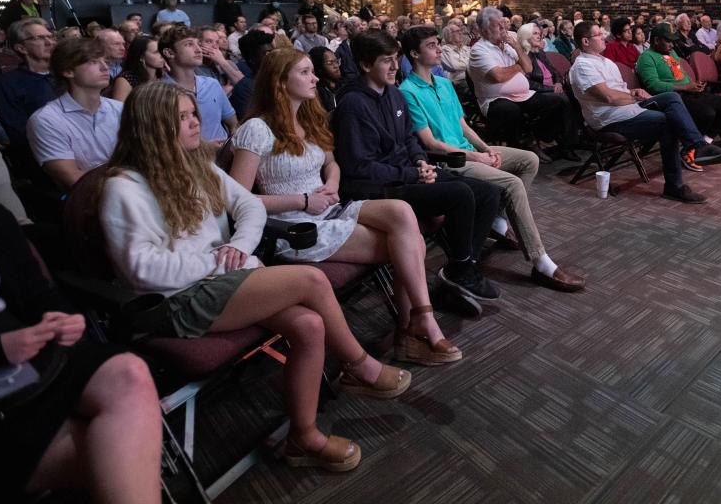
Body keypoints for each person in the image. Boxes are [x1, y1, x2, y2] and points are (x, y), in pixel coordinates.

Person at [100, 82, 410, 473]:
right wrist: (219, 260)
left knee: (310, 325)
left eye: (193, 113)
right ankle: (357, 365)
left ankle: (304, 437)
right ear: (152, 127)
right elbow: (141, 269)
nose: (196, 122)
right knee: (310, 281)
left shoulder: (196, 164)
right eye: (182, 117)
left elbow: (248, 207)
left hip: (220, 279)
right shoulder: (122, 187)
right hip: (172, 300)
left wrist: (240, 249)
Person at [229, 47, 461, 365]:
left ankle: (420, 320)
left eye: (313, 71)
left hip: (327, 207)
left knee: (402, 211)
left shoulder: (308, 119)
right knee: (413, 243)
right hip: (293, 227)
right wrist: (304, 200)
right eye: (305, 72)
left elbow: (332, 164)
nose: (315, 78)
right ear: (280, 82)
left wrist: (333, 183)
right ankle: (414, 328)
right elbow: (238, 199)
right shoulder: (256, 129)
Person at [0, 203, 162, 503]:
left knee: (130, 374)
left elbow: (39, 294)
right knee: (123, 449)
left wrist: (64, 318)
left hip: (31, 355)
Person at [399, 26, 585, 292]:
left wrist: (487, 149)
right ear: (415, 54)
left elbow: (463, 126)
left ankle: (497, 221)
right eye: (431, 45)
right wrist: (476, 156)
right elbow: (430, 143)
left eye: (438, 43)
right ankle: (540, 261)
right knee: (511, 184)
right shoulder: (408, 91)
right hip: (449, 160)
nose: (439, 48)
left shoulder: (443, 83)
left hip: (468, 150)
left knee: (529, 160)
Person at [333, 30, 501, 303]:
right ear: (366, 65)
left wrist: (420, 161)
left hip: (408, 174)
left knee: (488, 193)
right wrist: (413, 172)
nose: (395, 66)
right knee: (460, 194)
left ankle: (462, 266)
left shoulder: (393, 95)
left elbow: (410, 139)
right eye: (386, 60)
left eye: (395, 59)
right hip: (377, 188)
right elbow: (359, 167)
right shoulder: (353, 105)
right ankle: (461, 268)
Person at [569, 22, 721, 203]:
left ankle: (698, 147)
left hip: (627, 109)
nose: (604, 36)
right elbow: (609, 98)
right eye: (598, 35)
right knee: (668, 122)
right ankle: (675, 185)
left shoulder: (606, 62)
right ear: (586, 41)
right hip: (609, 118)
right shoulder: (583, 66)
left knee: (671, 97)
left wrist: (632, 92)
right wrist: (635, 98)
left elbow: (619, 92)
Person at [469, 7, 574, 158]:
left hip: (524, 95)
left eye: (503, 24)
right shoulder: (479, 50)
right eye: (497, 25)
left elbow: (529, 67)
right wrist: (519, 67)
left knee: (560, 101)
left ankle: (551, 139)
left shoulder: (507, 45)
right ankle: (523, 148)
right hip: (495, 100)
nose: (503, 28)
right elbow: (498, 76)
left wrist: (516, 46)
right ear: (485, 29)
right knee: (510, 110)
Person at [27, 38, 122, 191]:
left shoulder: (120, 109)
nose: (105, 68)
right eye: (93, 62)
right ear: (68, 71)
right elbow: (72, 179)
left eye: (105, 61)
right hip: (88, 202)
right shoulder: (46, 119)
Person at [635, 25, 721, 142]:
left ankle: (705, 141)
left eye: (673, 42)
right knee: (707, 113)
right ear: (656, 40)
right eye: (668, 41)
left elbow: (682, 75)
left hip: (690, 93)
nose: (672, 45)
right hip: (674, 98)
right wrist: (685, 87)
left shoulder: (671, 53)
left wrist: (694, 85)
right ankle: (693, 147)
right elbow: (654, 86)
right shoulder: (646, 58)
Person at [159, 25, 237, 144]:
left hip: (223, 155)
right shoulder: (159, 93)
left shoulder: (212, 84)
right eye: (189, 44)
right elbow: (162, 141)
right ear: (169, 52)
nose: (198, 49)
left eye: (198, 44)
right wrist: (206, 148)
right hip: (187, 159)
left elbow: (233, 124)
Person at [0, 19, 57, 154]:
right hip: (44, 154)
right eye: (39, 38)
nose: (49, 42)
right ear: (21, 48)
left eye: (50, 36)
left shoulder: (68, 73)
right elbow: (19, 133)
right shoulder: (7, 84)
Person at [230, 30, 274, 119]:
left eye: (273, 52)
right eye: (267, 53)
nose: (273, 57)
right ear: (252, 59)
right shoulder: (245, 88)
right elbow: (252, 123)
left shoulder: (279, 78)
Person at [108, 36, 166, 103]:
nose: (162, 55)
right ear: (141, 57)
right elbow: (118, 110)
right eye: (156, 52)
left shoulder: (163, 76)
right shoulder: (126, 79)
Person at [309, 46, 341, 112]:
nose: (336, 66)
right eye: (330, 63)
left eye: (336, 61)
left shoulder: (342, 86)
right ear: (319, 67)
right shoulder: (317, 93)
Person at [335, 16, 364, 82]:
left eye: (361, 24)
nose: (362, 27)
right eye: (358, 26)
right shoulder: (341, 50)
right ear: (349, 30)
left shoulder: (368, 44)